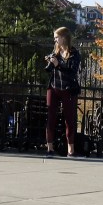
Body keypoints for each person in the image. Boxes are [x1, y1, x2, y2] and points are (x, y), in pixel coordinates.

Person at [44, 26, 81, 158]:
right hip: (54, 87)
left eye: (56, 37)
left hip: (68, 89)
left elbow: (72, 71)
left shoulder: (74, 53)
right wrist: (50, 62)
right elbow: (48, 70)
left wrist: (58, 65)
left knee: (69, 119)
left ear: (64, 37)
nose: (55, 40)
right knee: (51, 117)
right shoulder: (56, 51)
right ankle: (50, 148)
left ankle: (70, 150)